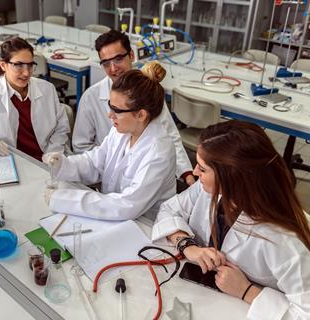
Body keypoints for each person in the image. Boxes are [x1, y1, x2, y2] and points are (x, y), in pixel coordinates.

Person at [152, 120, 310, 320]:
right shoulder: (211, 190)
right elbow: (169, 210)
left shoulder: (284, 241)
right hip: (210, 298)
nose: (194, 173)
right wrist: (188, 246)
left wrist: (247, 291)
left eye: (202, 168)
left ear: (231, 178)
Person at [42, 63, 176, 221]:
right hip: (112, 215)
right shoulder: (122, 131)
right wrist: (63, 164)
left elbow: (126, 205)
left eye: (117, 110)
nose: (109, 115)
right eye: (110, 106)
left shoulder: (159, 152)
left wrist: (63, 199)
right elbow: (95, 162)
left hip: (145, 226)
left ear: (141, 115)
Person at [72, 30, 195, 185]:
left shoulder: (147, 92)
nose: (113, 69)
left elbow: (169, 134)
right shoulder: (91, 97)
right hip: (104, 176)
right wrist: (107, 172)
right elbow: (81, 146)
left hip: (146, 172)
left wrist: (186, 174)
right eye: (106, 63)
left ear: (131, 55)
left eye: (118, 59)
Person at [0, 37, 70, 161]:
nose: (26, 73)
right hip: (12, 159)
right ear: (3, 65)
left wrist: (53, 152)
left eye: (30, 65)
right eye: (18, 65)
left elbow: (61, 127)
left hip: (48, 157)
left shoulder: (47, 89)